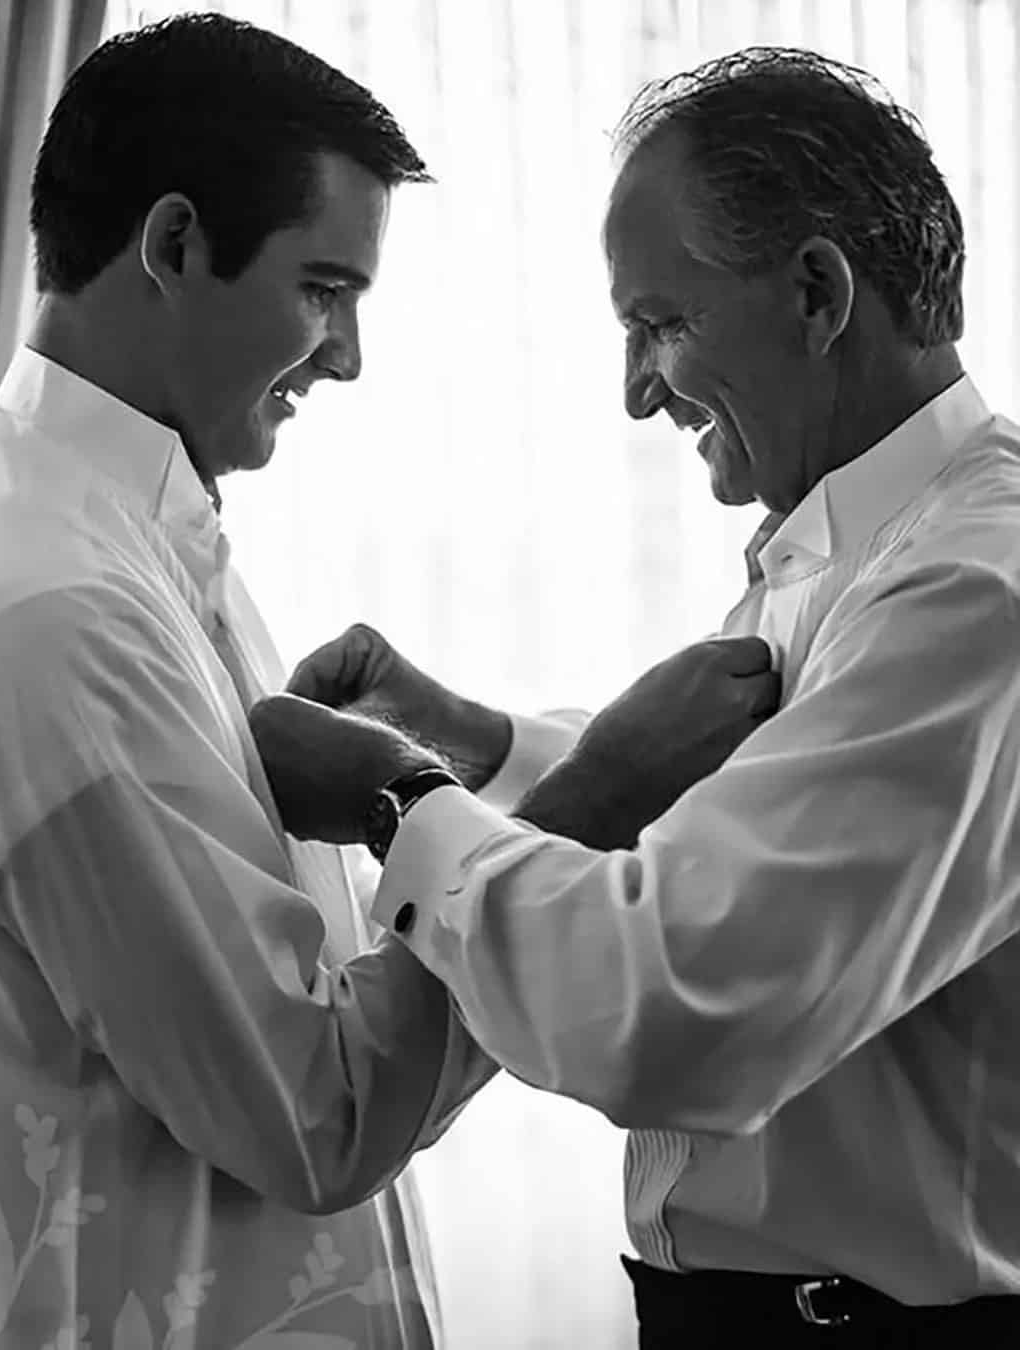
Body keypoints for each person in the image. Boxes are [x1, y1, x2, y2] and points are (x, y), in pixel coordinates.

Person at [0, 13, 776, 1348]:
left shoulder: (119, 544)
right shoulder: (58, 610)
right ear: (170, 246)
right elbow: (315, 1111)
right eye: (323, 290)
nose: (346, 358)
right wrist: (584, 795)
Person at [250, 45, 1020, 1348]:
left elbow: (677, 999)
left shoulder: (970, 596)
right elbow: (778, 823)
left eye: (660, 322)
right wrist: (487, 745)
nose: (635, 390)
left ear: (819, 291)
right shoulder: (867, 547)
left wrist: (405, 804)